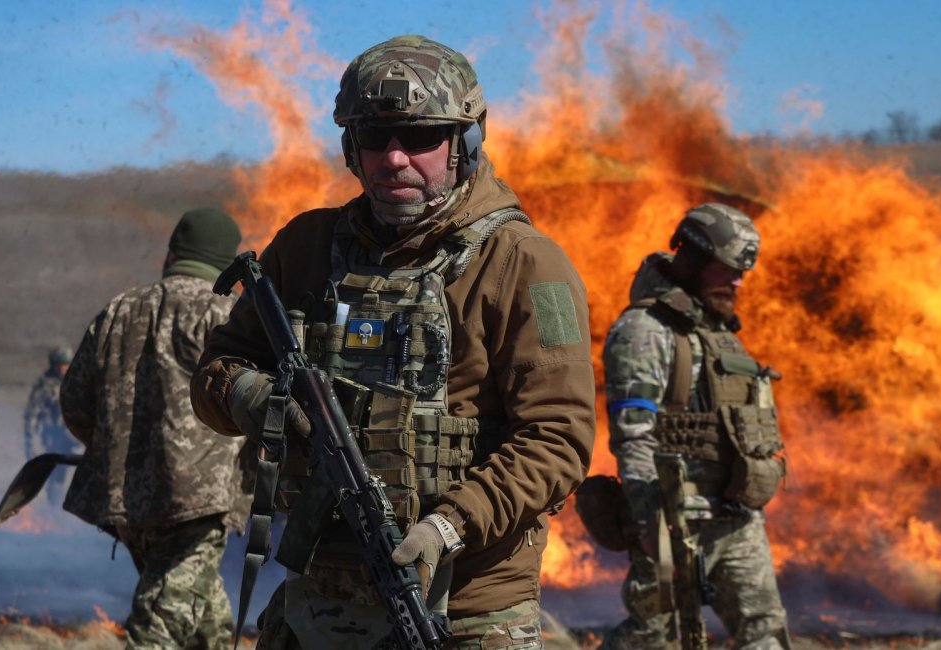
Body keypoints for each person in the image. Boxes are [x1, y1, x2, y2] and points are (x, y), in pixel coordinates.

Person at [190, 34, 597, 649]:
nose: (396, 158)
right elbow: (217, 371)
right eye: (376, 138)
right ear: (352, 148)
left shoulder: (526, 264)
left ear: (465, 142)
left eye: (421, 137)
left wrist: (448, 527)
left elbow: (558, 438)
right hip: (318, 606)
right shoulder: (305, 248)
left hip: (461, 610)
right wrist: (256, 397)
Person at [600, 203, 792, 649]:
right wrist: (651, 520)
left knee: (766, 633)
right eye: (728, 268)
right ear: (697, 259)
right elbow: (633, 434)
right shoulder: (645, 331)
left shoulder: (718, 333)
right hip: (674, 520)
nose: (739, 280)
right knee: (653, 639)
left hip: (736, 519)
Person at [60, 208, 250, 649]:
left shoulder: (117, 310)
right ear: (228, 263)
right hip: (198, 500)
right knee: (158, 629)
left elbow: (75, 402)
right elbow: (255, 405)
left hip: (126, 498)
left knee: (207, 623)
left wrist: (114, 451)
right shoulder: (225, 314)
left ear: (171, 256)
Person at [24, 345, 80, 507]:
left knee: (66, 475)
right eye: (61, 364)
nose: (64, 368)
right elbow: (32, 416)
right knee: (54, 475)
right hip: (52, 438)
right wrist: (30, 442)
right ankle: (54, 510)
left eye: (67, 364)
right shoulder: (45, 387)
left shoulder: (74, 382)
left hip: (71, 437)